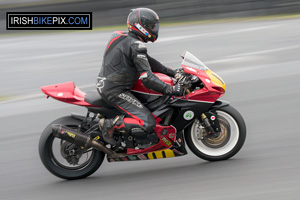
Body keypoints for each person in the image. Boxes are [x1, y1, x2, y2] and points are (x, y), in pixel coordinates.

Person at [96, 8, 184, 146]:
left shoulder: (123, 37)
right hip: (115, 91)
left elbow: (149, 62)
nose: (154, 29)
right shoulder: (135, 45)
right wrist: (170, 90)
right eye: (151, 26)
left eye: (154, 26)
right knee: (148, 123)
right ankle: (108, 124)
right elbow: (147, 78)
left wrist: (173, 73)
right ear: (139, 25)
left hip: (108, 84)